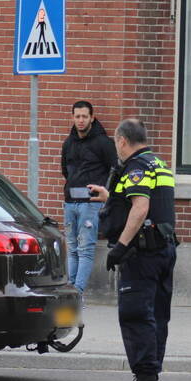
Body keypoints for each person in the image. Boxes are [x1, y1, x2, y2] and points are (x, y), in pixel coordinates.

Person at [88, 119, 178, 381]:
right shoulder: (159, 164)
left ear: (123, 141)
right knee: (157, 317)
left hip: (141, 255)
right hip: (163, 251)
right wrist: (110, 196)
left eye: (116, 143)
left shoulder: (136, 167)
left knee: (136, 315)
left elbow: (140, 208)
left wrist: (121, 247)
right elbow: (142, 200)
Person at [60, 100, 117, 294]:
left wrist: (105, 193)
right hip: (69, 203)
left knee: (85, 249)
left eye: (85, 116)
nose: (81, 120)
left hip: (91, 204)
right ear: (72, 118)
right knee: (72, 248)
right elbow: (65, 170)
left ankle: (77, 293)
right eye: (77, 116)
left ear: (92, 117)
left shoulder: (104, 143)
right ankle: (71, 293)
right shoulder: (68, 143)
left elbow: (115, 169)